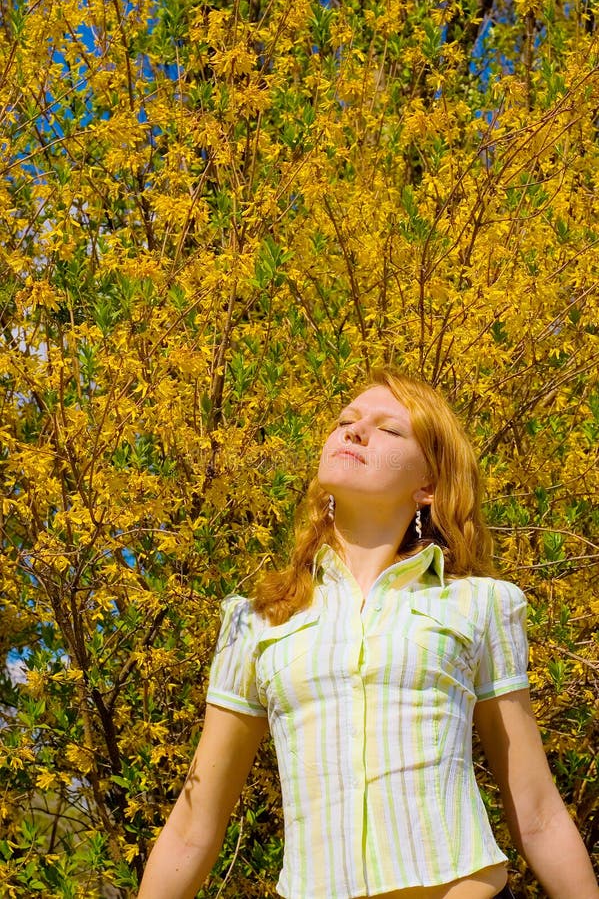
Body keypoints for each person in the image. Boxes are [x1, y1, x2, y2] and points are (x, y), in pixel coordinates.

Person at [137, 369, 598, 899]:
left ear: (428, 485)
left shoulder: (480, 604)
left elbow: (537, 811)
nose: (353, 432)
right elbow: (194, 829)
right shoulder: (256, 620)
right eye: (346, 421)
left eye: (389, 430)